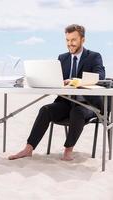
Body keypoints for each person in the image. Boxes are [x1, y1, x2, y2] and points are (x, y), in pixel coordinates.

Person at [8, 24, 105, 161]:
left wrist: (75, 81)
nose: (70, 43)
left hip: (87, 104)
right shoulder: (62, 58)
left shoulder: (94, 57)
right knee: (45, 110)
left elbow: (100, 77)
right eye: (67, 40)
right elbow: (56, 78)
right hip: (66, 102)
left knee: (76, 112)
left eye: (73, 40)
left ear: (83, 40)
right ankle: (28, 149)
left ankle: (68, 150)